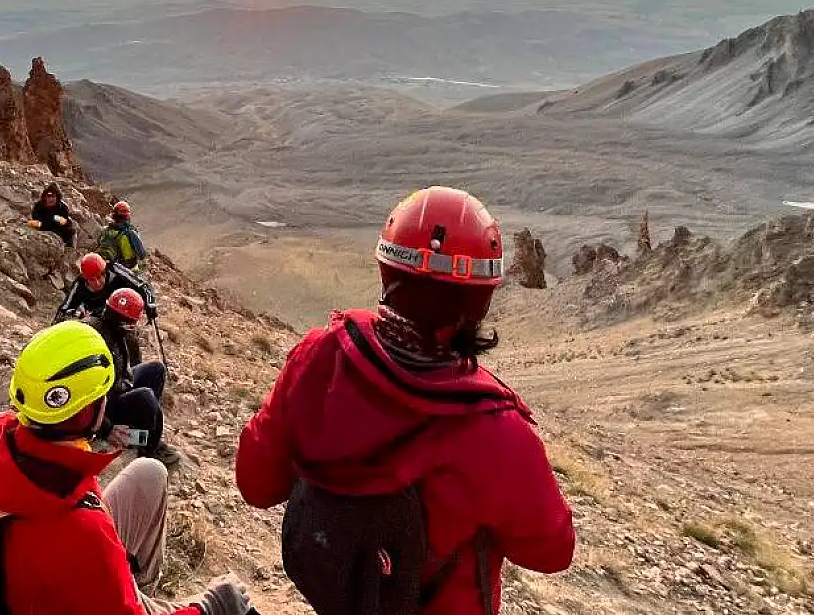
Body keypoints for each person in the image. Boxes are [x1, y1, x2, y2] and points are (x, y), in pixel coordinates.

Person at [235, 186, 575, 615]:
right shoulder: (498, 431)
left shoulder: (320, 356)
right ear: (480, 298)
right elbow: (552, 551)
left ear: (387, 269)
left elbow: (256, 483)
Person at [0, 320, 250, 615]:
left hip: (10, 585)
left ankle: (134, 590)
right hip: (86, 586)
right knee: (230, 600)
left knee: (149, 474)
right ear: (92, 410)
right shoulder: (84, 530)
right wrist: (212, 608)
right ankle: (140, 594)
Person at [92, 288, 182, 469]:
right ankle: (149, 447)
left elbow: (129, 364)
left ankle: (144, 427)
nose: (132, 327)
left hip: (118, 386)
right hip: (103, 408)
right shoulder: (96, 340)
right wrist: (107, 428)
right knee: (145, 396)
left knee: (156, 369)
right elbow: (87, 394)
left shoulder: (117, 332)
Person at [96, 201, 148, 270]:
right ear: (127, 217)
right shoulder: (130, 233)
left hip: (108, 266)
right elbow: (142, 254)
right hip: (127, 268)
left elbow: (98, 243)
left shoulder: (105, 230)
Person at [28, 182, 76, 248]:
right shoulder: (38, 206)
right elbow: (37, 221)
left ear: (57, 197)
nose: (51, 199)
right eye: (48, 196)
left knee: (70, 230)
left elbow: (62, 224)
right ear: (45, 197)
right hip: (42, 228)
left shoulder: (63, 208)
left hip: (60, 231)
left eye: (53, 196)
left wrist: (52, 221)